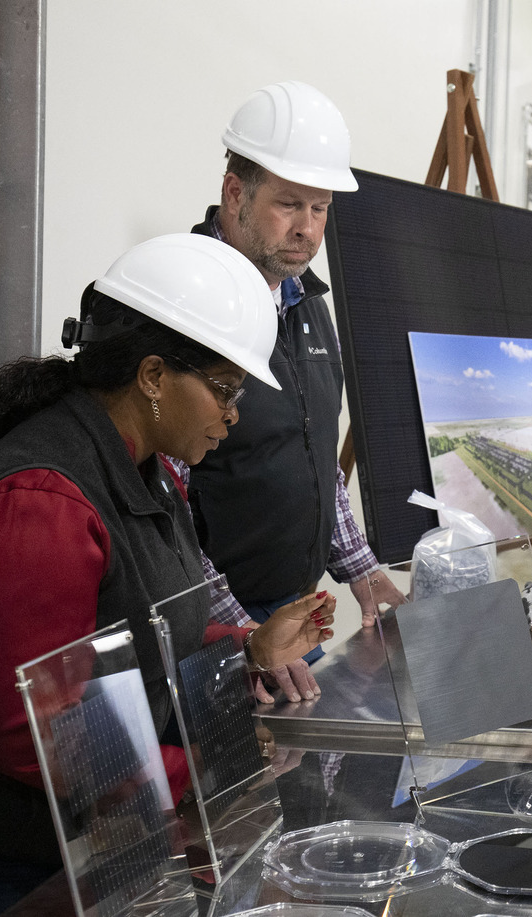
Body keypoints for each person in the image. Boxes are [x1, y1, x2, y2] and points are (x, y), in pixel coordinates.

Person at [0, 234, 336, 916]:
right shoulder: (42, 502)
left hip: (33, 833)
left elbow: (142, 627)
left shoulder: (146, 470)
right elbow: (41, 730)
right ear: (152, 376)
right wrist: (203, 775)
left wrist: (248, 648)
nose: (233, 417)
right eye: (225, 390)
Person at [178, 82, 405, 703]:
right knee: (224, 795)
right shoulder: (185, 303)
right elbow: (158, 500)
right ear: (235, 194)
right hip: (207, 629)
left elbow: (315, 454)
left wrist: (358, 567)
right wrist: (245, 635)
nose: (307, 229)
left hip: (291, 615)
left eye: (321, 209)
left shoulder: (306, 302)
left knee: (296, 784)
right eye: (288, 205)